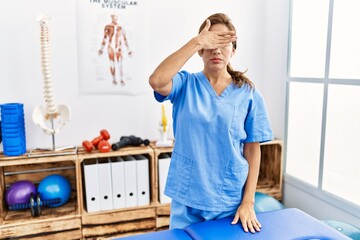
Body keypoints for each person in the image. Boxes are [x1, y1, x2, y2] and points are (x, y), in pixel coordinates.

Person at [149, 13, 273, 233]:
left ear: (233, 50)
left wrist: (248, 201)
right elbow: (157, 81)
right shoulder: (184, 84)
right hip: (187, 199)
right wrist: (197, 40)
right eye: (211, 42)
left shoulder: (249, 94)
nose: (216, 49)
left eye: (224, 43)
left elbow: (253, 150)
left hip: (228, 200)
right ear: (200, 50)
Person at [98, 14, 132, 86]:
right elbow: (104, 38)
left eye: (116, 18)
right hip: (110, 47)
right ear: (111, 18)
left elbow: (125, 39)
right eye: (113, 18)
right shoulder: (108, 27)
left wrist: (128, 50)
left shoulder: (120, 27)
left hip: (118, 47)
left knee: (120, 64)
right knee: (112, 64)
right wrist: (101, 49)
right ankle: (113, 79)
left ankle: (121, 79)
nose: (114, 19)